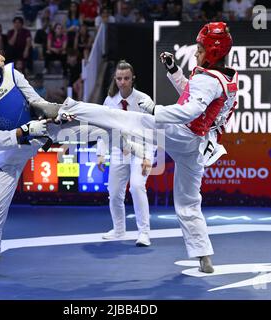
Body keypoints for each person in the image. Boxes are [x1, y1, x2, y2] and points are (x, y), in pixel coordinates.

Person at [33, 22, 238, 273]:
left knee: (125, 119)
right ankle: (203, 254)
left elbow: (190, 110)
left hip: (183, 134)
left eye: (200, 48)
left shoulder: (208, 80)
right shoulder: (227, 77)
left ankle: (64, 108)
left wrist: (154, 110)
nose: (196, 53)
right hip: (197, 146)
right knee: (188, 202)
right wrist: (174, 72)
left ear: (214, 51)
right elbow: (191, 95)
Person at [0, 33, 111, 278]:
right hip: (9, 156)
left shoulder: (12, 74)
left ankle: (132, 128)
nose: (1, 55)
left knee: (89, 122)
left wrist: (58, 114)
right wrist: (23, 132)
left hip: (42, 133)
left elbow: (37, 102)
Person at [97, 60, 154, 247]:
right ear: (115, 79)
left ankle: (144, 233)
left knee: (137, 187)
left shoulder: (144, 100)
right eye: (119, 78)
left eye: (126, 78)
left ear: (133, 79)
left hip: (141, 149)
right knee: (113, 192)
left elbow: (153, 132)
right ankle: (119, 230)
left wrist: (147, 157)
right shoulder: (109, 101)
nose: (123, 82)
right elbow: (103, 129)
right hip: (118, 150)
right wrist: (100, 154)